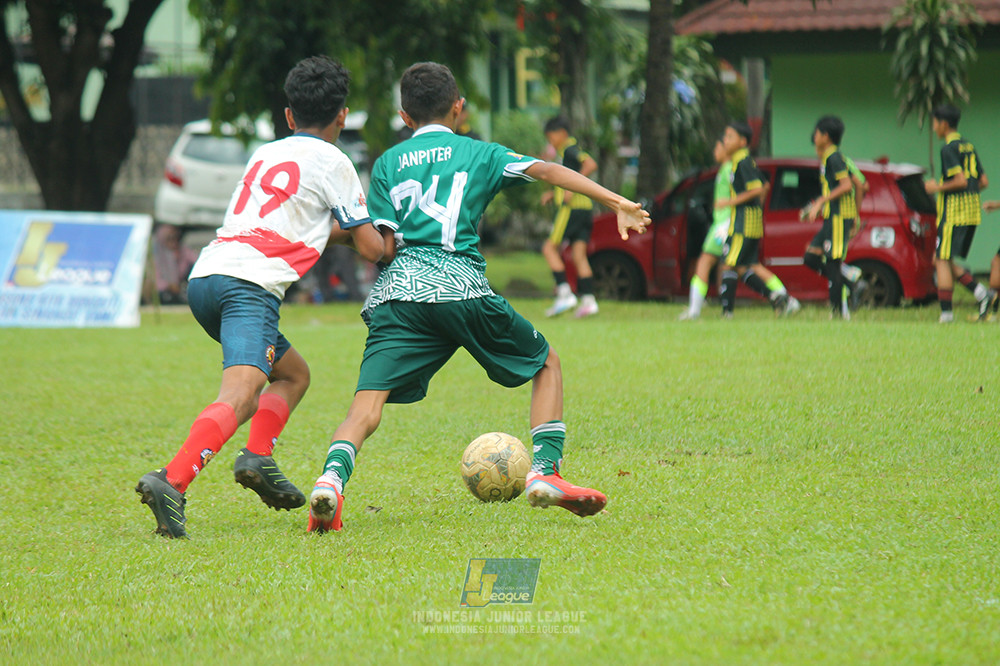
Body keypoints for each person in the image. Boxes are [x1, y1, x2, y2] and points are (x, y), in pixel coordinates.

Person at [305, 62, 650, 533]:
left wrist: (332, 235)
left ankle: (329, 481)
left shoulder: (386, 163)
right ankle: (545, 472)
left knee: (365, 406)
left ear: (404, 116)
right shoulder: (479, 153)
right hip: (459, 286)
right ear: (458, 108)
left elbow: (381, 248)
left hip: (398, 295)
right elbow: (547, 169)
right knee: (545, 362)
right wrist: (617, 202)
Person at [134, 56, 384, 538]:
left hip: (207, 277)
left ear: (289, 116)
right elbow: (371, 246)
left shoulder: (266, 153)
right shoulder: (335, 161)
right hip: (249, 288)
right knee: (242, 394)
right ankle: (172, 478)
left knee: (292, 374)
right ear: (343, 116)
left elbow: (291, 226)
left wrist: (332, 232)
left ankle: (258, 457)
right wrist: (390, 235)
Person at [681, 137, 800, 320]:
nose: (716, 150)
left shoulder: (733, 167)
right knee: (746, 266)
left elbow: (759, 188)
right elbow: (764, 185)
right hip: (730, 222)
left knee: (707, 261)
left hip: (726, 223)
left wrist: (734, 209)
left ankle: (696, 310)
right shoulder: (728, 167)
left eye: (721, 144)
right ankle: (784, 299)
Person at [924, 104, 992, 323]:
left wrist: (937, 188)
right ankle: (982, 293)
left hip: (953, 213)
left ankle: (946, 314)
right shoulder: (968, 146)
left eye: (934, 123)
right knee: (941, 258)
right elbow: (982, 181)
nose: (934, 128)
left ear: (943, 124)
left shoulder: (948, 149)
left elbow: (960, 181)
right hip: (971, 211)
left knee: (942, 259)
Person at [716, 121, 791, 318]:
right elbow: (764, 185)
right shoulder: (739, 162)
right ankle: (777, 298)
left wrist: (731, 202)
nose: (725, 140)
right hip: (745, 221)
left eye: (730, 136)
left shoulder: (743, 162)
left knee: (728, 264)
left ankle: (727, 314)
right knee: (742, 267)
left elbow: (757, 188)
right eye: (725, 136)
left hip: (744, 223)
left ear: (742, 141)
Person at [540, 116, 600, 318]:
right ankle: (589, 301)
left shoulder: (569, 149)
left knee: (549, 248)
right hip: (585, 209)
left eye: (551, 137)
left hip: (571, 209)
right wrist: (553, 193)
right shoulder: (566, 152)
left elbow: (590, 164)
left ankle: (564, 293)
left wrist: (571, 189)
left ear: (562, 133)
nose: (551, 142)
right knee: (578, 255)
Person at [803, 115, 862, 319]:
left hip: (839, 216)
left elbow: (848, 185)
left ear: (825, 136)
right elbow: (856, 184)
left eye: (817, 133)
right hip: (832, 216)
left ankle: (837, 313)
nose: (814, 136)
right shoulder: (829, 158)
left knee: (832, 263)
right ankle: (849, 279)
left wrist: (822, 201)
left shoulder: (834, 157)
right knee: (810, 256)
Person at [152, 223, 198, 305]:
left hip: (180, 288)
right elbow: (156, 282)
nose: (174, 242)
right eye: (169, 239)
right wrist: (169, 286)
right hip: (164, 292)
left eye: (176, 238)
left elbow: (196, 260)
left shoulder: (182, 250)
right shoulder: (156, 256)